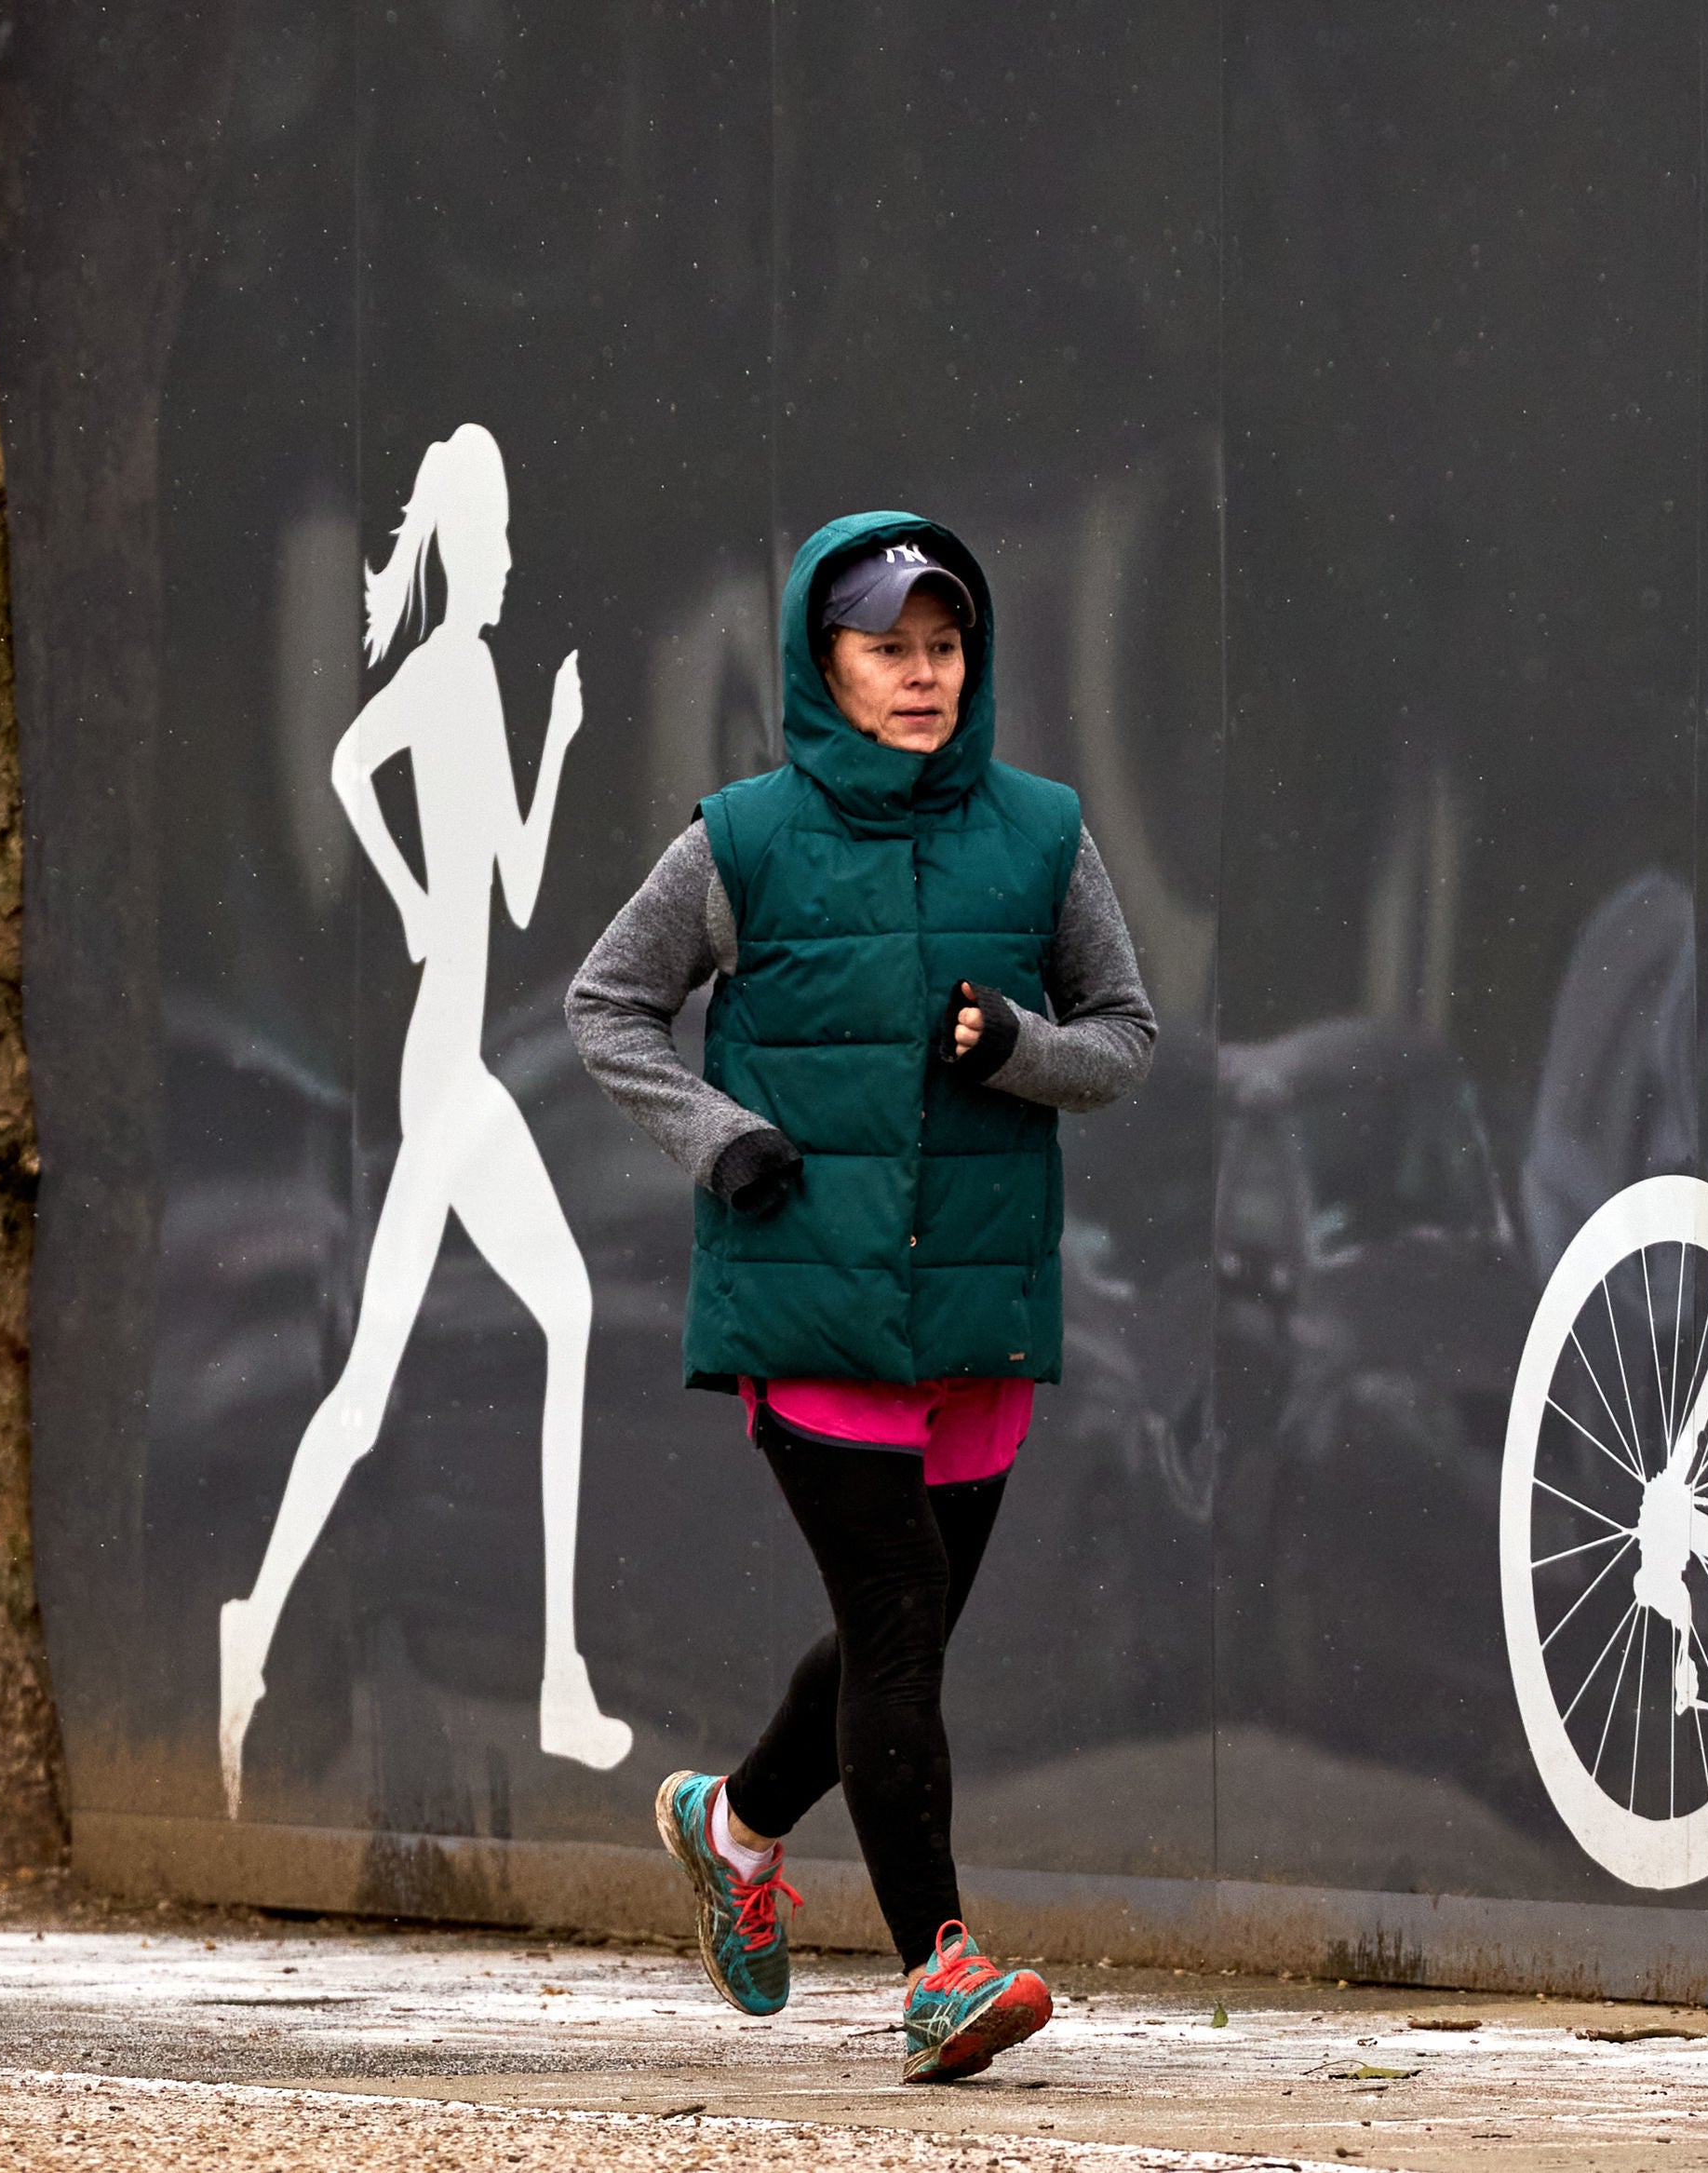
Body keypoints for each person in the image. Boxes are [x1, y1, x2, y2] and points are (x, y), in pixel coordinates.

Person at [569, 513, 1154, 2084]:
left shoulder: (1040, 834)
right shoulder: (743, 840)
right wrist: (720, 1135)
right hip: (809, 1309)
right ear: (822, 663)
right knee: (898, 1629)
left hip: (978, 1321)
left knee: (898, 1635)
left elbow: (1127, 1033)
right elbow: (607, 1004)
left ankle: (735, 1824)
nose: (920, 673)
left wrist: (1019, 1045)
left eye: (942, 645)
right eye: (887, 646)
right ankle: (939, 1966)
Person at [217, 423, 632, 1822]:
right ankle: (558, 1672)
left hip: (451, 1063)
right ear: (468, 545)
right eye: (499, 536)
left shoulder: (493, 690)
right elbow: (345, 762)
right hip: (441, 1063)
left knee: (384, 1380)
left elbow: (514, 889)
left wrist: (563, 745)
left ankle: (257, 1621)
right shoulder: (449, 676)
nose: (511, 559)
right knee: (552, 1318)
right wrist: (396, 888)